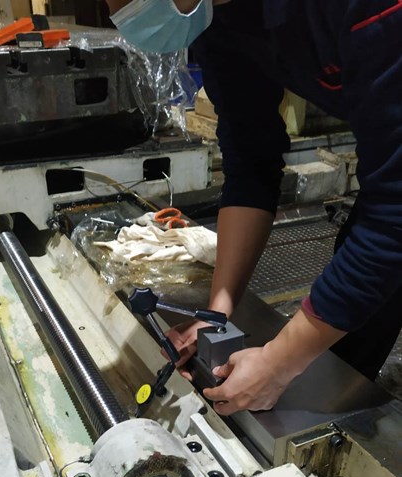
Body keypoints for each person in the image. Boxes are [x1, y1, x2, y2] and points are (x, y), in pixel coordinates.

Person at [105, 0, 402, 414]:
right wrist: (217, 315)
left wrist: (279, 363)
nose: (119, 12)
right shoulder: (215, 18)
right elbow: (250, 160)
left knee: (375, 261)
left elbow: (393, 213)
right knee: (358, 308)